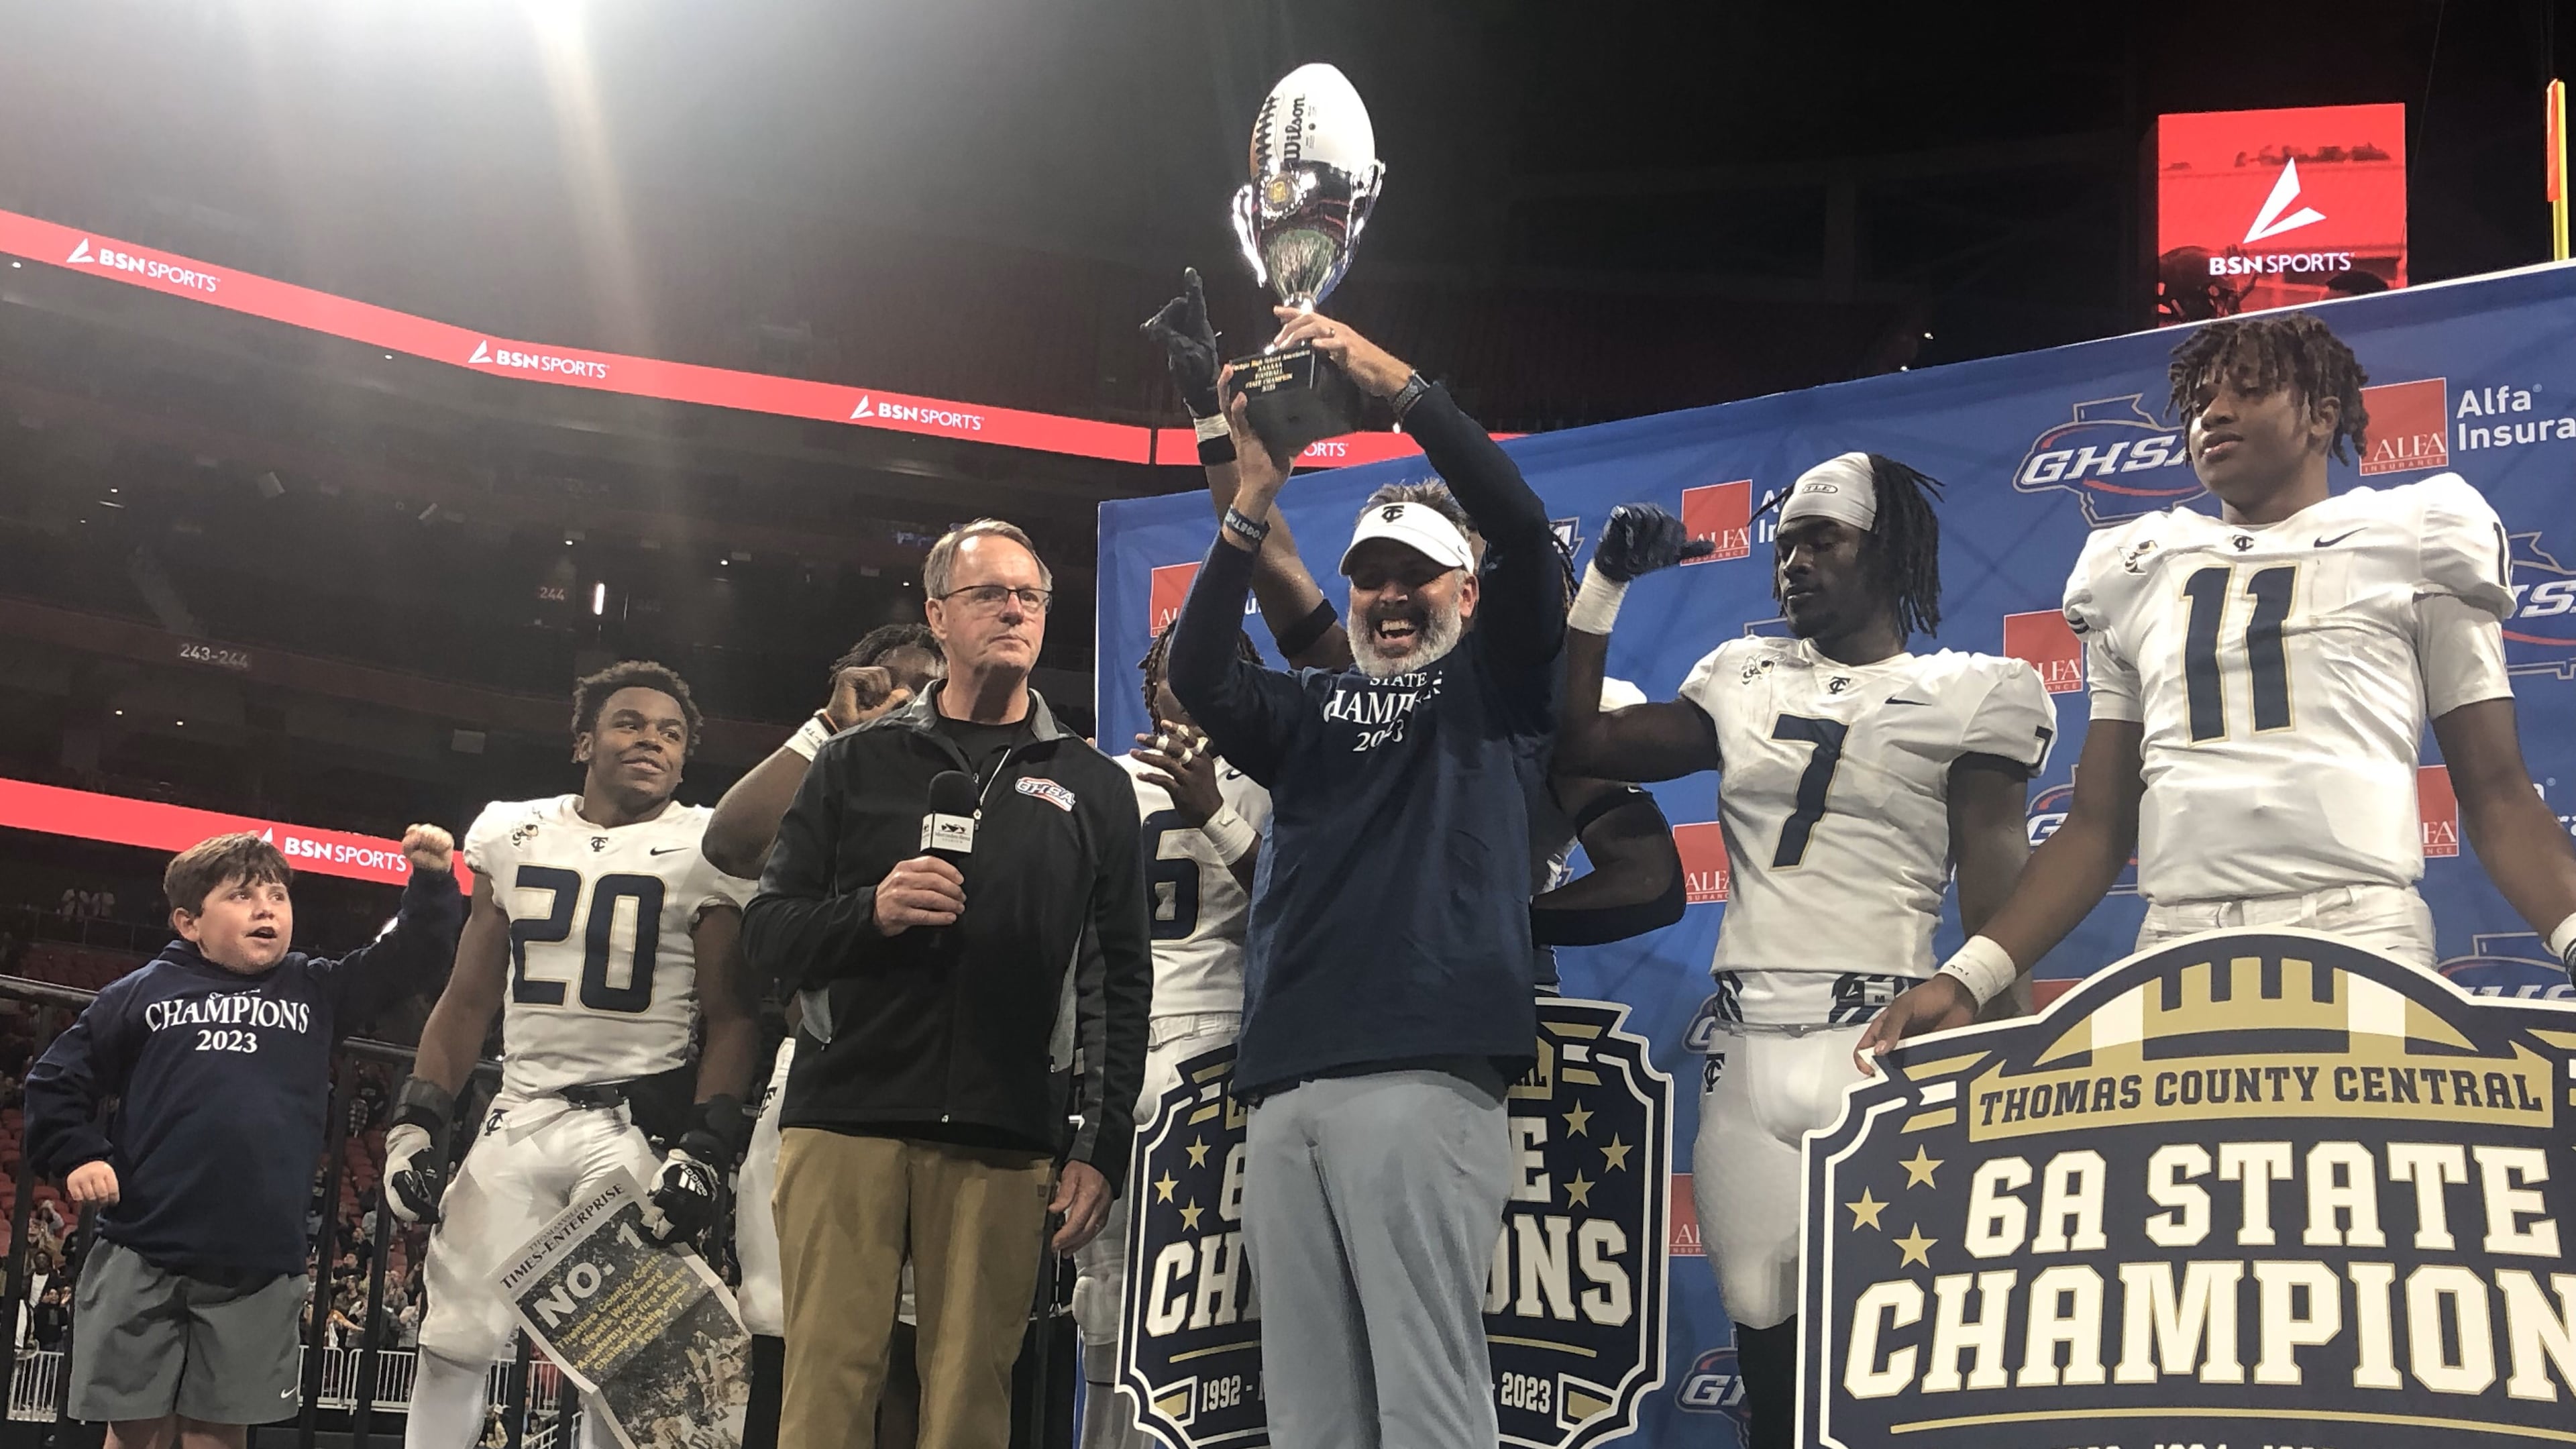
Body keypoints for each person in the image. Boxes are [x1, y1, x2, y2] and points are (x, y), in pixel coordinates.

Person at [1862, 309, 2576, 1053]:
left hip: (2359, 933)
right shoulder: (2136, 567)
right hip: (2177, 941)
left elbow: (2499, 797)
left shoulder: (2417, 537)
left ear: (2321, 416)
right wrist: (1967, 979)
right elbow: (2098, 826)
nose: (2215, 413)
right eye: (2200, 399)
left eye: (2249, 390)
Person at [1548, 455, 2049, 1447]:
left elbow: (1999, 902)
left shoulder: (1976, 690)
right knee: (1767, 1354)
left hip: (1887, 1041)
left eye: (1823, 540)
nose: (1794, 562)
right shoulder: (1743, 674)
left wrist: (2017, 1069)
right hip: (1748, 1046)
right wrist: (1602, 587)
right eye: (1784, 544)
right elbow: (1576, 744)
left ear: (1889, 549)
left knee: (1898, 1352)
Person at [1164, 308, 1560, 1449]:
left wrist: (1403, 392)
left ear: (1468, 593)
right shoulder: (1308, 707)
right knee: (1311, 1416)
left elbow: (1524, 533)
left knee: (1429, 1403)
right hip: (1284, 1075)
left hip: (1424, 1071)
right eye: (1371, 579)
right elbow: (1198, 668)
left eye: (1420, 577)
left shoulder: (1499, 692)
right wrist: (1249, 498)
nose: (1392, 598)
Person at [1140, 268, 1685, 987]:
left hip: (1481, 989)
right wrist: (1215, 425)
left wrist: (1481, 921)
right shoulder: (1358, 685)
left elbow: (1649, 879)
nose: (1397, 595)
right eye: (1378, 577)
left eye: (1441, 573)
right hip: (1347, 984)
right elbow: (1270, 563)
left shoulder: (1561, 705)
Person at [743, 518, 1151, 1449]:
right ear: (937, 615)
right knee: (825, 1392)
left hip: (1006, 1130)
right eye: (990, 594)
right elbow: (768, 935)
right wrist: (871, 912)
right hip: (844, 1115)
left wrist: (1100, 1140)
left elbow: (1118, 982)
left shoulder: (1094, 786)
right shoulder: (855, 762)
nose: (1015, 609)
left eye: (1031, 597)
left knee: (972, 1403)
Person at [387, 661, 761, 1449]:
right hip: (519, 1113)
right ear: (584, 740)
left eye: (671, 733)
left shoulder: (706, 844)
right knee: (451, 1341)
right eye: (630, 723)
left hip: (632, 1124)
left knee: (622, 1365)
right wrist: (414, 1124)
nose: (651, 741)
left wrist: (706, 1146)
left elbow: (733, 1016)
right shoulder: (515, 833)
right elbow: (467, 999)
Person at [22, 826, 462, 1449]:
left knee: (221, 1431)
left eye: (278, 896)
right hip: (144, 1244)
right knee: (134, 1430)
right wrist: (79, 1152)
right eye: (242, 896)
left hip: (257, 1259)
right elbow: (56, 1079)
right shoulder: (142, 992)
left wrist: (433, 882)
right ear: (188, 921)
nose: (266, 908)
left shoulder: (314, 987)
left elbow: (412, 956)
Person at [704, 625, 941, 1449]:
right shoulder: (831, 801)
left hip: (948, 1086)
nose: (907, 699)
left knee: (913, 1356)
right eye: (892, 684)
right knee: (787, 1336)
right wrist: (829, 728)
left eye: (928, 683)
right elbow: (730, 841)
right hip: (821, 1072)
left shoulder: (998, 787)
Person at [1069, 623, 1272, 1449]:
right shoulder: (1098, 781)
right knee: (1115, 1290)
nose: (1183, 681)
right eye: (1168, 667)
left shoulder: (1269, 776)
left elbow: (1302, 913)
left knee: (1204, 1295)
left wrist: (1214, 813)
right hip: (1125, 1047)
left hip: (1216, 1043)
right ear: (1150, 690)